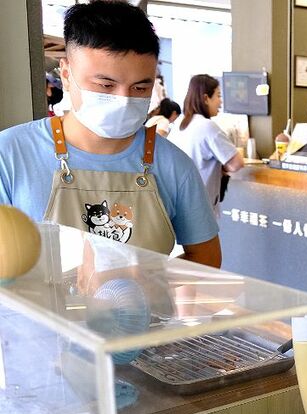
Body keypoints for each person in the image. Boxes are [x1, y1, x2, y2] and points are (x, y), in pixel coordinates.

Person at [0, 0, 220, 267]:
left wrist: (147, 283)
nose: (124, 99)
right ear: (67, 74)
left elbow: (206, 258)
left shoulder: (174, 165)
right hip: (34, 310)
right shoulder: (10, 154)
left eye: (140, 88)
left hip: (142, 309)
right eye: (105, 84)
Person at [168, 74, 244, 215]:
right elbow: (236, 164)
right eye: (218, 96)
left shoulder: (179, 124)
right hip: (199, 209)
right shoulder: (208, 127)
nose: (220, 102)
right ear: (205, 98)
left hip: (177, 206)